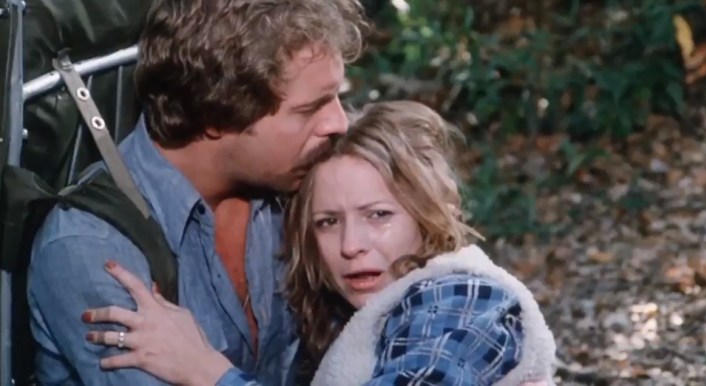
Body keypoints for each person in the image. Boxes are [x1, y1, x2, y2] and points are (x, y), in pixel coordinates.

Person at [27, 0, 370, 386]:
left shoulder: (297, 188)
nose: (338, 123)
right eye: (310, 109)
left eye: (336, 97)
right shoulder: (93, 249)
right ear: (217, 114)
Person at [81, 100, 557, 386]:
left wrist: (206, 371)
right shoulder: (359, 311)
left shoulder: (460, 297)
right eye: (328, 222)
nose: (351, 245)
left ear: (426, 215)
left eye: (378, 215)